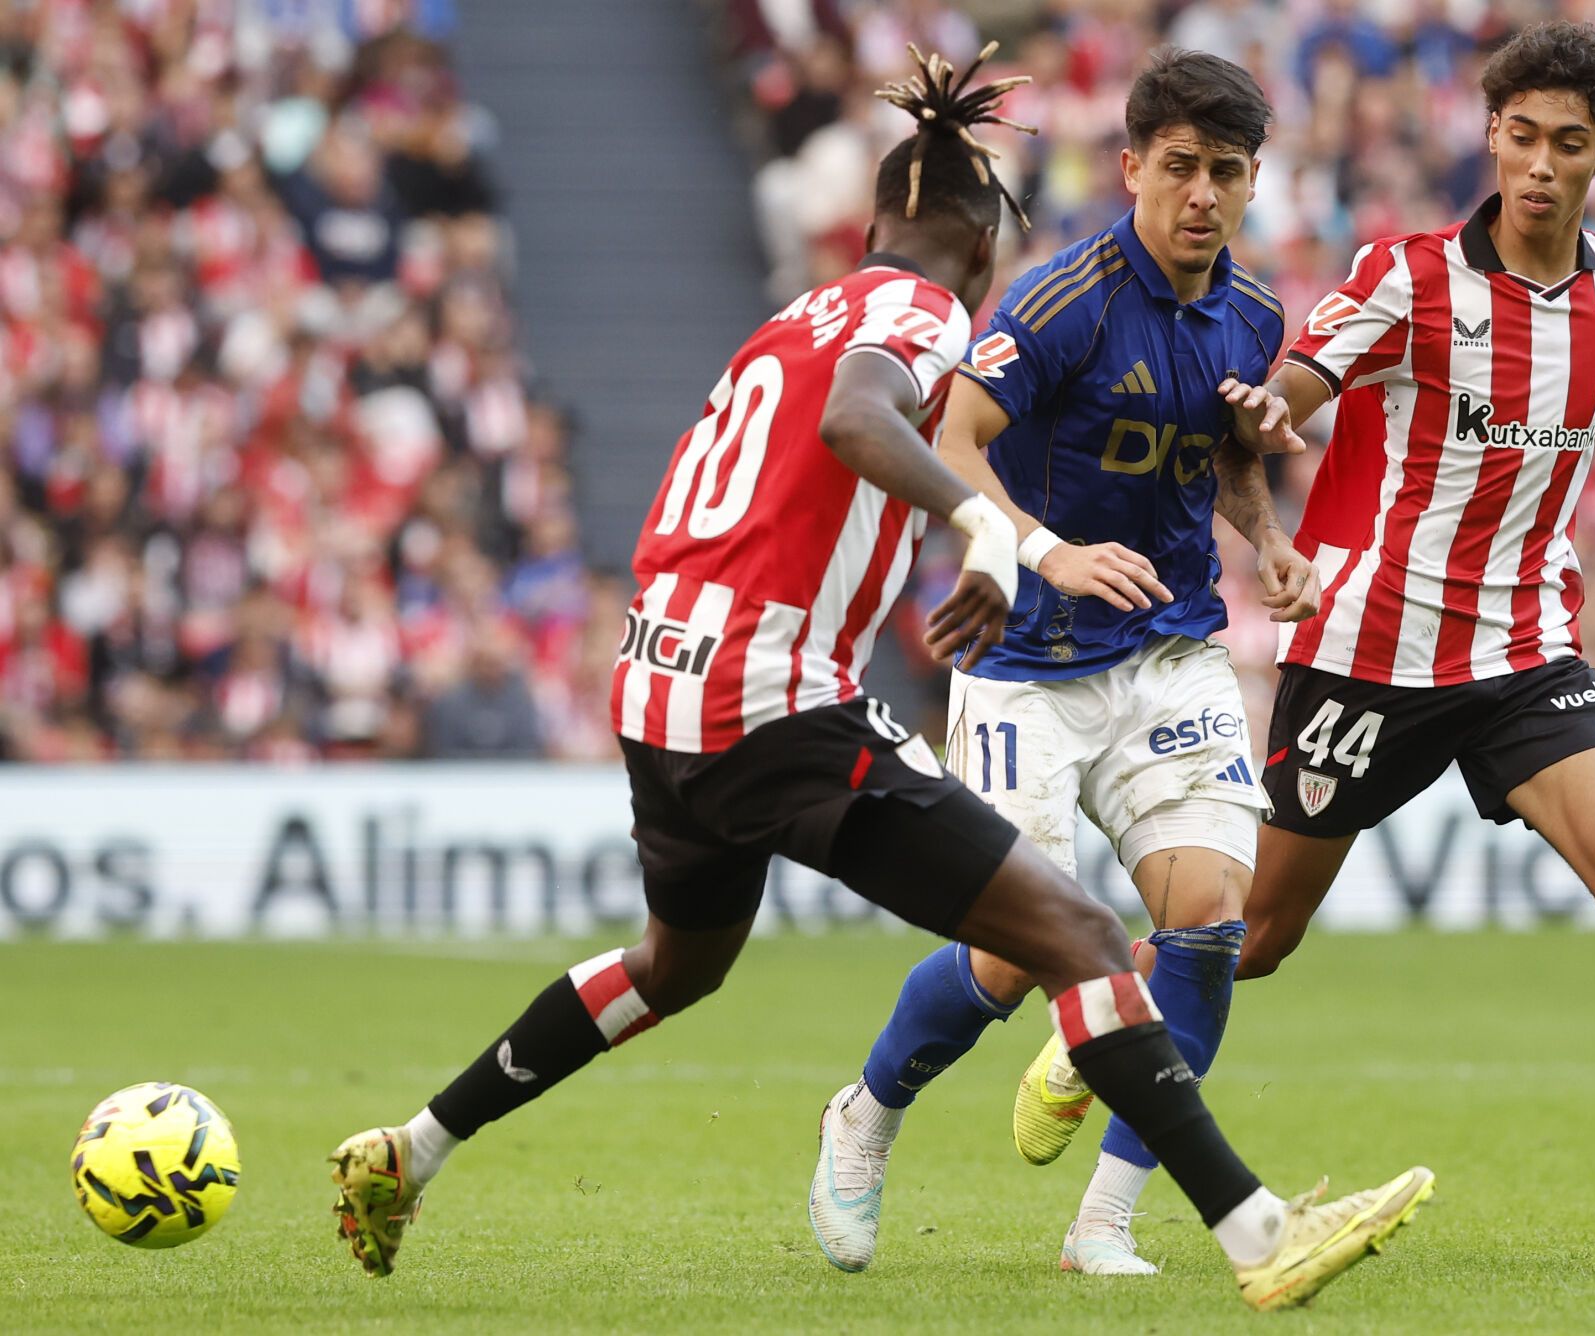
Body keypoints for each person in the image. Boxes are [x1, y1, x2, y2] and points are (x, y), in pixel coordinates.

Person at [327, 47, 1432, 1312]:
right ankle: (1253, 1232)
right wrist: (997, 535)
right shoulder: (920, 314)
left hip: (657, 681)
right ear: (973, 248)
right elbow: (863, 421)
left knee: (674, 967)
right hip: (770, 695)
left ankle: (414, 1147)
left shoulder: (788, 320)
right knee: (1075, 936)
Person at [1214, 21, 1595, 1263]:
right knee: (1256, 939)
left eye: (1567, 143)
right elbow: (1298, 382)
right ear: (1489, 137)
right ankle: (1087, 999)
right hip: (1366, 652)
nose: (1539, 165)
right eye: (1518, 138)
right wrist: (1267, 413)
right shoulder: (1405, 276)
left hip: (1519, 647)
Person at [808, 48, 1343, 1279]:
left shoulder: (1254, 313)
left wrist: (1265, 538)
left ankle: (1102, 1220)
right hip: (1027, 662)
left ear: (1251, 180)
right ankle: (867, 1110)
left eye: (1221, 171)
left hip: (1168, 652)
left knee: (1208, 925)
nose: (1198, 193)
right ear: (1129, 170)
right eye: (1175, 168)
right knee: (1011, 953)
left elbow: (1227, 447)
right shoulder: (1061, 300)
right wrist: (1048, 551)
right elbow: (956, 436)